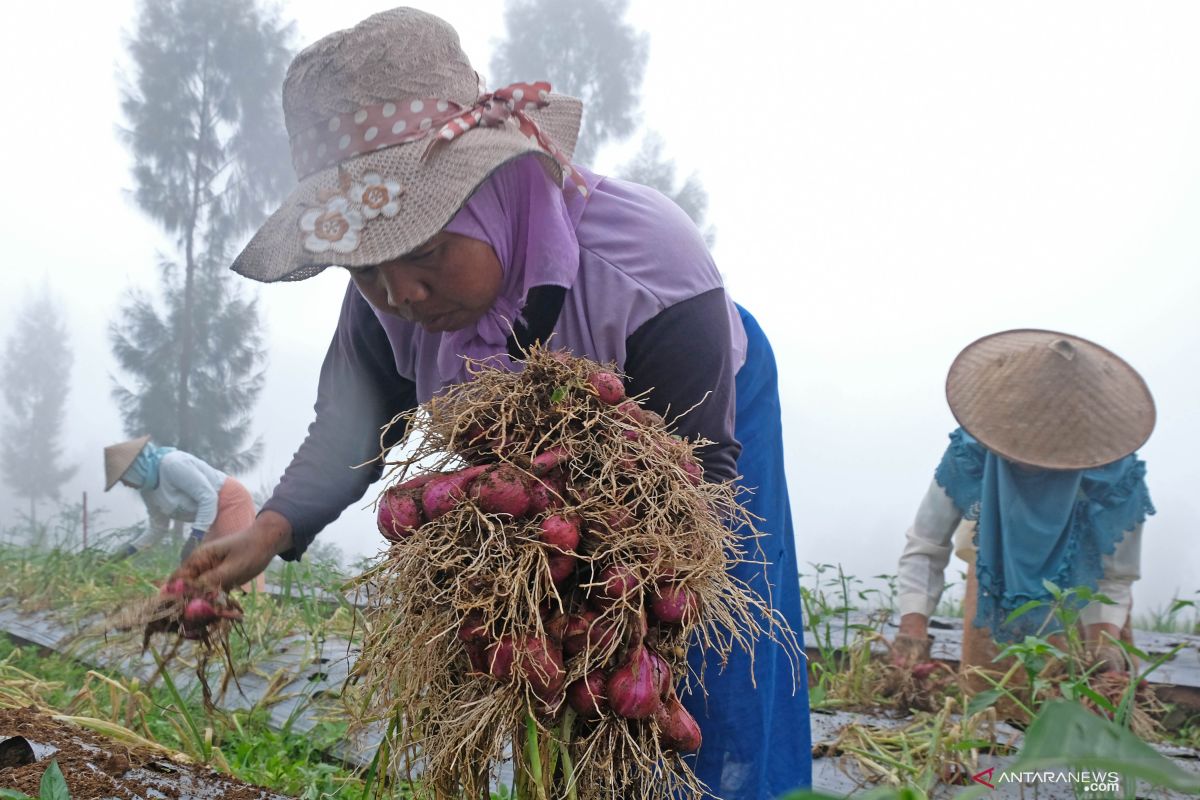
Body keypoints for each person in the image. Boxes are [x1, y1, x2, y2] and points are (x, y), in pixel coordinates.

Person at [168, 7, 809, 797]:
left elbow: (695, 492)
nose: (398, 291)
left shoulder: (652, 266)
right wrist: (269, 530)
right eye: (365, 268)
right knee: (538, 661)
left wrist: (617, 610)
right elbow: (350, 427)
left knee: (704, 632)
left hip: (697, 436)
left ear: (490, 190)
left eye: (427, 252)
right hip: (533, 477)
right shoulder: (389, 299)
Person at [893, 329, 1155, 676]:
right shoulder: (972, 456)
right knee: (990, 712)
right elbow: (927, 545)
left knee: (1087, 707)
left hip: (1082, 603)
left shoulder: (1113, 478)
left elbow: (1114, 576)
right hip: (993, 594)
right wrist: (912, 633)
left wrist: (1102, 647)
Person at [104, 436, 265, 591]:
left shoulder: (172, 464)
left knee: (235, 563)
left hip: (229, 501)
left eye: (123, 478)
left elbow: (208, 497)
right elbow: (157, 528)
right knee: (207, 573)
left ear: (134, 467)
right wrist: (127, 552)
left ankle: (253, 609)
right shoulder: (147, 490)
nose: (124, 484)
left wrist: (195, 537)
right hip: (210, 514)